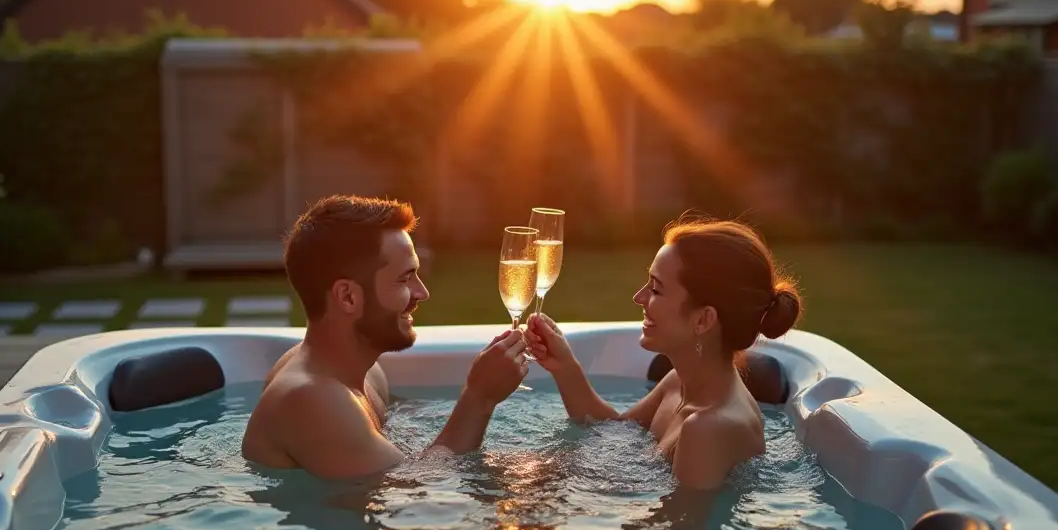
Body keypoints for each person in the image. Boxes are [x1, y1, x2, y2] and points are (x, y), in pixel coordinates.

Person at [242, 195, 530, 478]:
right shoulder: (308, 398)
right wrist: (479, 397)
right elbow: (418, 494)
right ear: (348, 296)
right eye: (405, 279)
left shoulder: (364, 374)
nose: (422, 293)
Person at [525, 216, 802, 491]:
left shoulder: (707, 429)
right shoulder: (678, 384)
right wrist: (564, 366)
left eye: (656, 288)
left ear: (703, 320)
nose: (639, 297)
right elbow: (611, 430)